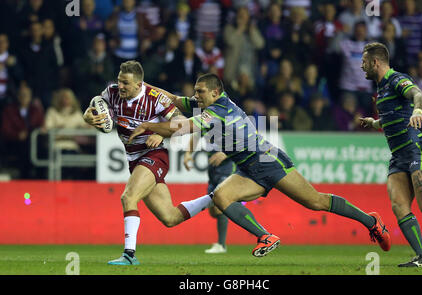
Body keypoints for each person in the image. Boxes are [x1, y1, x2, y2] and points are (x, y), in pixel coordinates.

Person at [128, 73, 392, 258]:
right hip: (247, 168)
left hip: (267, 160)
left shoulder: (218, 109)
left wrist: (150, 126)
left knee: (315, 202)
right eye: (195, 92)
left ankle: (372, 222)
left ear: (215, 92)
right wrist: (143, 87)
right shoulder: (204, 105)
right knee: (221, 197)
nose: (195, 96)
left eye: (200, 92)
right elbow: (173, 98)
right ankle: (266, 236)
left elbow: (182, 127)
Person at [82, 60, 219, 265]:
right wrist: (87, 117)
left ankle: (129, 255)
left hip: (155, 155)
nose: (120, 86)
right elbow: (92, 110)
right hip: (133, 159)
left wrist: (160, 133)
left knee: (128, 197)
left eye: (125, 83)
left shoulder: (155, 99)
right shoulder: (110, 93)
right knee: (170, 217)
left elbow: (182, 123)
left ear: (139, 85)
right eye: (119, 81)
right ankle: (216, 197)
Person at [359, 42, 422, 267]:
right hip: (398, 157)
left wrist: (418, 110)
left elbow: (419, 95)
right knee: (399, 205)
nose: (361, 66)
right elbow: (393, 115)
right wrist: (376, 123)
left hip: (414, 149)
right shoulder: (381, 88)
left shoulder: (396, 79)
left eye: (364, 61)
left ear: (375, 62)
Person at [183, 133, 237, 254]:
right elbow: (196, 137)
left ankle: (221, 245)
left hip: (227, 169)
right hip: (212, 171)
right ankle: (221, 243)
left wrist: (226, 153)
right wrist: (187, 154)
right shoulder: (207, 124)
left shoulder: (228, 123)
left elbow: (243, 140)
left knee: (220, 204)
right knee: (214, 211)